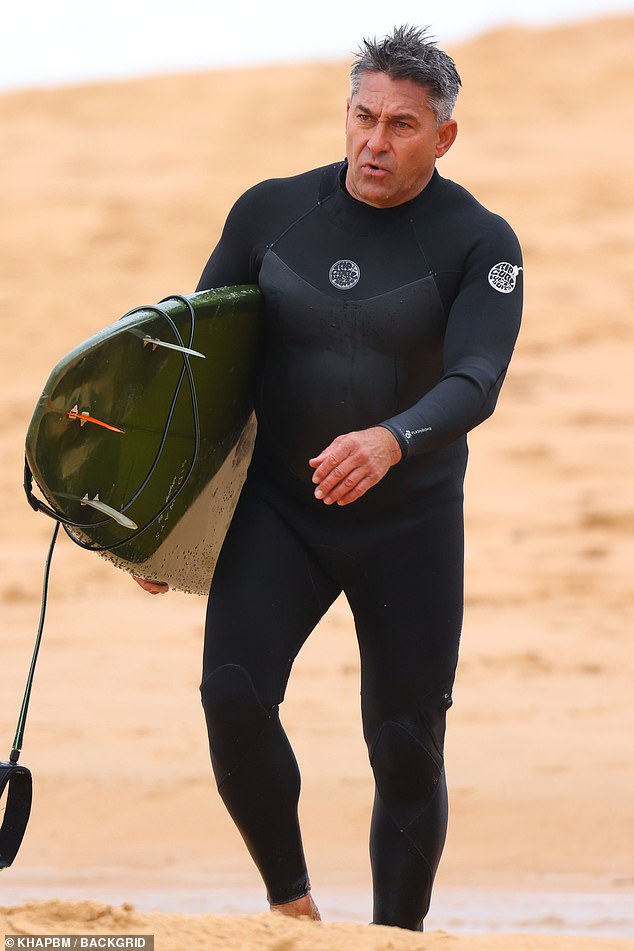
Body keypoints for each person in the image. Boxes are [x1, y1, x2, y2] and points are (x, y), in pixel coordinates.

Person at [135, 24, 523, 931]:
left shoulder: (479, 242)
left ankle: (395, 935)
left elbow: (477, 378)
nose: (375, 143)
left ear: (444, 136)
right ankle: (292, 906)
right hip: (281, 506)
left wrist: (392, 438)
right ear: (345, 113)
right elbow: (205, 369)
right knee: (232, 696)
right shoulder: (271, 213)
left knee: (404, 746)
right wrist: (163, 515)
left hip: (411, 523)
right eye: (363, 117)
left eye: (400, 125)